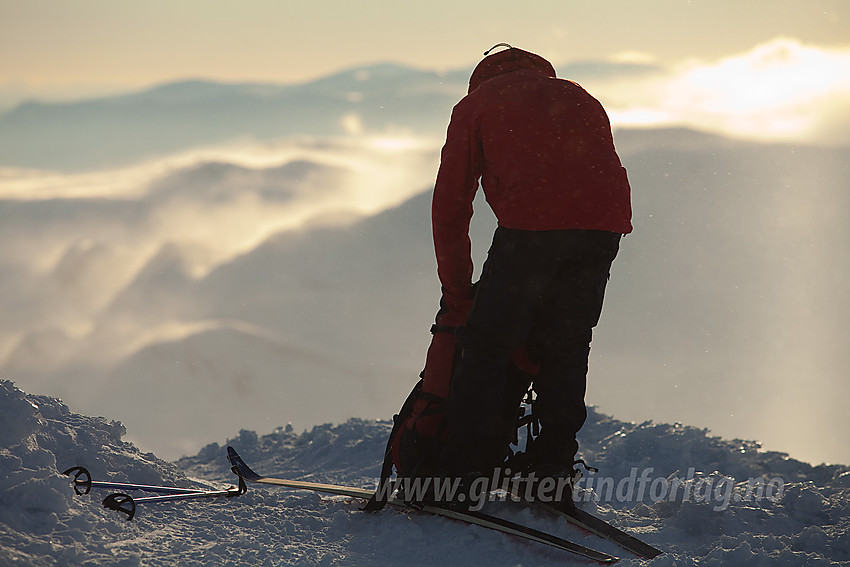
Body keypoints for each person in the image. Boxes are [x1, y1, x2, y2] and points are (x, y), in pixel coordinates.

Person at [430, 44, 633, 508]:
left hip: (532, 226)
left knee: (485, 346)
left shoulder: (477, 104)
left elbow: (452, 204)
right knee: (566, 342)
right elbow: (592, 173)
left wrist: (457, 288)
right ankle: (553, 468)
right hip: (603, 226)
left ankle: (460, 476)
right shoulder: (578, 96)